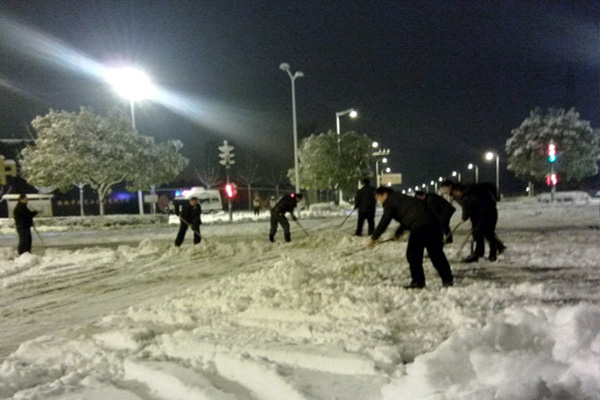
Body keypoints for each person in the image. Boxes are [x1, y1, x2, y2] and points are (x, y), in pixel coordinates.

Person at [368, 187, 454, 289]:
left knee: (413, 255)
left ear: (384, 194)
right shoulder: (401, 198)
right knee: (436, 254)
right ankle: (448, 279)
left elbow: (385, 220)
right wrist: (398, 233)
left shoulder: (390, 201)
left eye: (378, 197)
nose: (378, 200)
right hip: (434, 224)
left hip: (420, 226)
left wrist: (374, 238)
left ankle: (418, 282)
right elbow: (408, 216)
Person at [441, 180, 505, 262]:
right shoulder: (462, 191)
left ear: (450, 186)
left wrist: (465, 217)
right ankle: (487, 253)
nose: (444, 191)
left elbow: (468, 204)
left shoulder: (462, 192)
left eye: (444, 188)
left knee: (481, 233)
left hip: (485, 212)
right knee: (486, 233)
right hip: (483, 213)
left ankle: (483, 254)